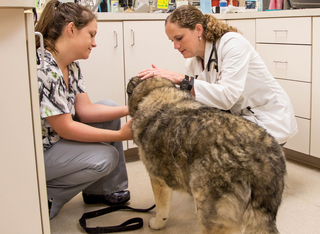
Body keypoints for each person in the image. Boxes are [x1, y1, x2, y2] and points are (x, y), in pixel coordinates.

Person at [138, 5, 297, 145]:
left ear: (198, 30)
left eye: (179, 38)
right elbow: (198, 103)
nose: (175, 46)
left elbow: (227, 97)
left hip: (269, 118)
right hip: (238, 118)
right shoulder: (193, 64)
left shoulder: (232, 43)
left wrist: (182, 79)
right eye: (172, 40)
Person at [35, 0, 133, 219]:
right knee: (106, 157)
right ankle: (45, 196)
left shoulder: (71, 65)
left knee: (109, 107)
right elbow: (66, 129)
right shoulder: (46, 69)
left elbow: (85, 110)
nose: (94, 43)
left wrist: (132, 108)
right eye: (91, 34)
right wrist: (120, 135)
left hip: (56, 142)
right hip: (40, 153)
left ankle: (101, 191)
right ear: (71, 30)